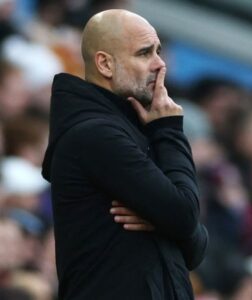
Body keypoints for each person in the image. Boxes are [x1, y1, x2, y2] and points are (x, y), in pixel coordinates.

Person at [41, 9, 208, 300]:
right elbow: (184, 215)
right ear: (105, 64)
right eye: (145, 53)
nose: (160, 64)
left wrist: (165, 221)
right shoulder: (95, 134)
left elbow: (195, 247)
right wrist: (170, 130)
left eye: (158, 51)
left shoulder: (141, 129)